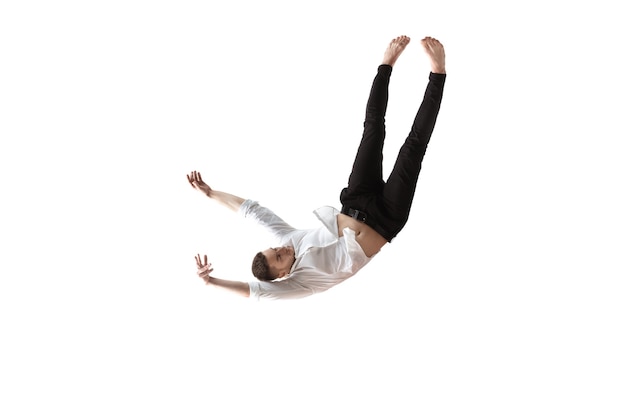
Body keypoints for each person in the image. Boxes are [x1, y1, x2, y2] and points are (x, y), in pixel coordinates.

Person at [188, 35, 446, 300]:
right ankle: (438, 73)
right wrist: (211, 282)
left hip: (356, 200)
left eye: (274, 249)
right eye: (279, 257)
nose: (283, 249)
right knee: (413, 148)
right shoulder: (301, 284)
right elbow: (252, 292)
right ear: (281, 276)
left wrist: (211, 194)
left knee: (373, 129)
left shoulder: (288, 240)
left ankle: (386, 64)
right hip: (386, 219)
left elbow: (250, 211)